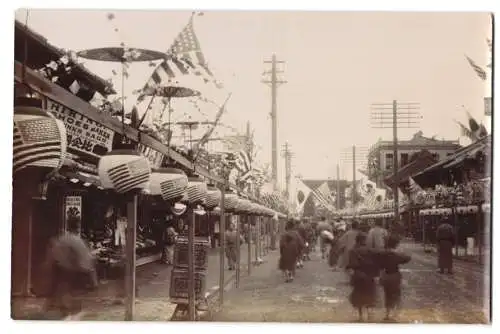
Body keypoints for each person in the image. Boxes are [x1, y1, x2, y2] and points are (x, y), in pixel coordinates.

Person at [44, 219, 98, 320]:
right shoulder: (77, 241)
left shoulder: (63, 239)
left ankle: (65, 311)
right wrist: (93, 278)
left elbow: (56, 257)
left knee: (65, 291)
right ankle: (68, 312)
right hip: (78, 270)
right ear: (77, 228)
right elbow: (87, 259)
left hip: (70, 269)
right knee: (72, 293)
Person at [346, 232, 381, 322]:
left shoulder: (353, 251)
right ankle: (369, 313)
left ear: (357, 240)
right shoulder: (371, 250)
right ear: (365, 240)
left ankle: (361, 316)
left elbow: (352, 265)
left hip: (358, 275)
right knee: (370, 294)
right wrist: (376, 275)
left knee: (358, 295)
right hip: (370, 276)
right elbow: (377, 264)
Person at [379, 234, 411, 321]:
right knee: (396, 294)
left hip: (385, 275)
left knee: (387, 295)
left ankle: (387, 314)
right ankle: (395, 314)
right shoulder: (396, 254)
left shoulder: (382, 253)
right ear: (395, 244)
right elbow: (407, 258)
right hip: (395, 276)